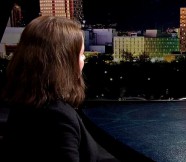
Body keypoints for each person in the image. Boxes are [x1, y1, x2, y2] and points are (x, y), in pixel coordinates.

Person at [1, 16, 117, 162]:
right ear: (63, 62)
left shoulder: (25, 105)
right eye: (81, 54)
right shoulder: (56, 117)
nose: (84, 60)